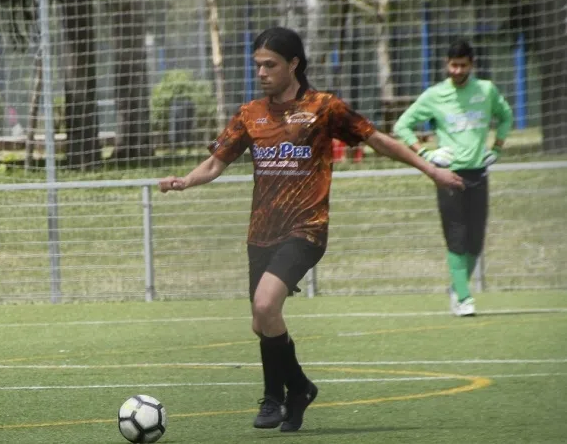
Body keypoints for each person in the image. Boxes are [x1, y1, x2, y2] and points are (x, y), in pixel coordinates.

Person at [157, 27, 464, 433]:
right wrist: (185, 181)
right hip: (261, 232)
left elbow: (377, 140)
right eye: (257, 66)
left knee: (265, 305)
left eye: (270, 65)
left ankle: (273, 398)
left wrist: (431, 170)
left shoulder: (323, 107)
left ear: (294, 64)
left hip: (306, 228)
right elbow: (215, 163)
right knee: (262, 320)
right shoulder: (250, 114)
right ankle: (299, 388)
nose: (262, 73)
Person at [393, 40, 513, 317]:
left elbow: (506, 117)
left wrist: (497, 148)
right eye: (453, 65)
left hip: (478, 173)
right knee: (456, 236)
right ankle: (464, 297)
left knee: (476, 241)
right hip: (448, 174)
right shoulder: (435, 95)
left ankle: (457, 288)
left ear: (472, 65)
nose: (457, 70)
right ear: (446, 64)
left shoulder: (486, 90)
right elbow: (402, 125)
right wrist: (426, 153)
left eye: (463, 65)